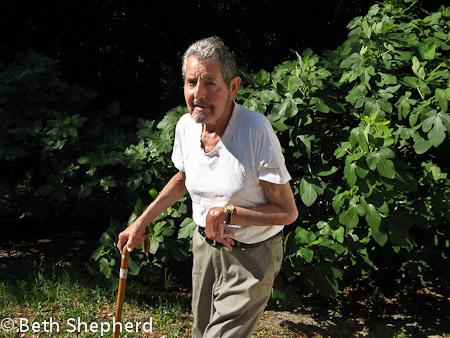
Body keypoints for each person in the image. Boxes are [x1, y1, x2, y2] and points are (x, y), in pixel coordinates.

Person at [117, 36, 298, 338]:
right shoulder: (186, 127)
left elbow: (287, 212)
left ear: (234, 86)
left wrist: (227, 213)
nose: (198, 94)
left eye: (210, 84)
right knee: (201, 332)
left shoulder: (255, 130)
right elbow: (183, 179)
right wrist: (141, 222)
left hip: (251, 255)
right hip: (204, 249)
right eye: (191, 83)